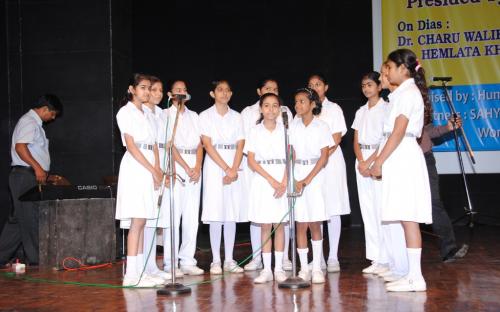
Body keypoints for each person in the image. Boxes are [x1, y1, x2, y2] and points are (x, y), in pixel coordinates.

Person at [370, 49, 432, 292]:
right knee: (405, 217)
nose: (386, 72)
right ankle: (410, 274)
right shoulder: (401, 94)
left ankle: (416, 277)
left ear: (403, 69)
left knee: (409, 217)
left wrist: (379, 161)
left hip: (403, 153)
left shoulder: (408, 94)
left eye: (389, 68)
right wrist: (378, 158)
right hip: (398, 154)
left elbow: (398, 131)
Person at [0, 94, 63, 266]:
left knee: (18, 219)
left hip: (27, 175)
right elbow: (20, 147)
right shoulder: (29, 121)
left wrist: (43, 173)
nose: (53, 117)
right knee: (29, 218)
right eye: (53, 113)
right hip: (24, 176)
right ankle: (38, 259)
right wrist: (37, 168)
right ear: (44, 109)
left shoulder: (34, 124)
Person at [115, 73, 164, 287]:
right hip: (136, 166)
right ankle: (131, 275)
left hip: (148, 166)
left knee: (143, 221)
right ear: (132, 89)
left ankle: (141, 271)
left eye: (148, 87)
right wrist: (151, 169)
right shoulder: (125, 112)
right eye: (143, 87)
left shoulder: (146, 113)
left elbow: (153, 143)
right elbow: (132, 145)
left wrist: (158, 169)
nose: (146, 91)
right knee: (136, 221)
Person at [241, 78, 293, 272]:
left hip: (282, 179)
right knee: (265, 226)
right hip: (263, 180)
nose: (271, 110)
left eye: (275, 106)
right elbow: (251, 160)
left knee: (279, 225)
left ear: (279, 109)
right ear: (261, 108)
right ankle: (266, 269)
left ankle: (278, 268)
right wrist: (271, 180)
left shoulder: (287, 130)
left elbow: (291, 156)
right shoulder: (254, 131)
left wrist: (284, 181)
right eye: (267, 106)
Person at [199, 80, 246, 275]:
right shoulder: (205, 116)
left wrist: (233, 169)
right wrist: (226, 168)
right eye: (220, 90)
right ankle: (216, 261)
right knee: (216, 213)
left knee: (231, 213)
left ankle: (229, 259)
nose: (224, 93)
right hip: (214, 165)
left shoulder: (237, 117)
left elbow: (241, 143)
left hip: (234, 164)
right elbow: (207, 145)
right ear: (212, 93)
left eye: (227, 90)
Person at [308, 74, 350, 273]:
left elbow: (336, 138)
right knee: (317, 209)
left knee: (333, 208)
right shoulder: (305, 109)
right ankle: (319, 259)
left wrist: (322, 157)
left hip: (330, 162)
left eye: (318, 84)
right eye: (311, 85)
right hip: (311, 165)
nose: (314, 87)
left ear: (326, 86)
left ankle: (333, 257)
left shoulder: (334, 109)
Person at [290, 88, 333, 284]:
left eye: (302, 101)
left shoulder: (322, 126)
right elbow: (290, 152)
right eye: (296, 102)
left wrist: (307, 179)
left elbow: (324, 157)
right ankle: (304, 268)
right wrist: (294, 177)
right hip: (296, 174)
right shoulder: (292, 126)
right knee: (300, 223)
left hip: (315, 177)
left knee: (315, 222)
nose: (298, 105)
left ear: (312, 104)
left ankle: (317, 267)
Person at [163, 80, 204, 276]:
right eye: (177, 90)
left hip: (194, 167)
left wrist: (197, 166)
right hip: (177, 165)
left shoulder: (194, 116)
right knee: (174, 215)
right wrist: (186, 167)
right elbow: (169, 144)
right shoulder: (166, 115)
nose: (181, 93)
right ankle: (170, 262)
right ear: (170, 94)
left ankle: (188, 260)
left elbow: (200, 144)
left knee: (191, 216)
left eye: (184, 90)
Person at [351, 71, 390, 274]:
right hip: (362, 163)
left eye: (370, 84)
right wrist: (360, 160)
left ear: (379, 86)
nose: (366, 88)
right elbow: (356, 139)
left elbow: (384, 140)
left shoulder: (386, 109)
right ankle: (375, 258)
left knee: (380, 209)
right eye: (363, 85)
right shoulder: (361, 111)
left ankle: (387, 258)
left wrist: (369, 161)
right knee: (367, 211)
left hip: (377, 160)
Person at [421, 114, 468, 262]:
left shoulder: (419, 101)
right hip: (403, 159)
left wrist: (448, 127)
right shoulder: (393, 102)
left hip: (425, 158)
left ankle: (449, 249)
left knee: (434, 202)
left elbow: (428, 132)